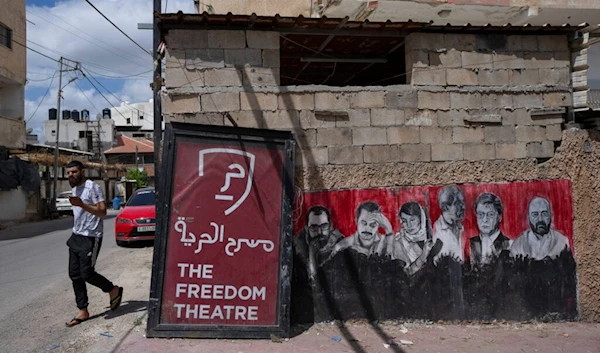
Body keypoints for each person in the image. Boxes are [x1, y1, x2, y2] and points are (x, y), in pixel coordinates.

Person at [64, 160, 123, 327]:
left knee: (87, 273)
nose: (71, 175)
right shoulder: (74, 188)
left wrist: (82, 204)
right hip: (77, 235)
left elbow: (103, 211)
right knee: (74, 274)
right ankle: (83, 310)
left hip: (91, 236)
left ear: (82, 171)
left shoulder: (93, 187)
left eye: (74, 172)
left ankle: (112, 290)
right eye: (68, 172)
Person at [385, 202, 441, 275]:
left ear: (421, 219)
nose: (409, 225)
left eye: (412, 220)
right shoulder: (399, 242)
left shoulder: (433, 236)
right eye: (404, 221)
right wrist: (423, 255)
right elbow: (406, 273)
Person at [293, 205, 344, 281]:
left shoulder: (341, 245)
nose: (320, 232)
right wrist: (312, 254)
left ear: (330, 226)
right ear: (306, 229)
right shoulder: (297, 246)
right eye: (314, 227)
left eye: (324, 226)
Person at [469, 193, 511, 266]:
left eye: (490, 214)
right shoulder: (469, 244)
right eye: (481, 214)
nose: (485, 220)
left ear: (499, 217)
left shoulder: (509, 245)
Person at [433, 185, 466, 263]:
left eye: (462, 202)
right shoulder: (436, 232)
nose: (463, 206)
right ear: (445, 207)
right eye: (458, 203)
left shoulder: (461, 228)